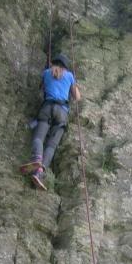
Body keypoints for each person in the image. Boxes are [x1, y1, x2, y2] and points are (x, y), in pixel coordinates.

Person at [28, 53, 82, 190]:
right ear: (65, 66)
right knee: (51, 146)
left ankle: (36, 159)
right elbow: (77, 97)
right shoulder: (69, 76)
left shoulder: (46, 73)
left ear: (53, 63)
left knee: (39, 138)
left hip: (47, 108)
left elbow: (42, 88)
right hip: (62, 112)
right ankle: (39, 172)